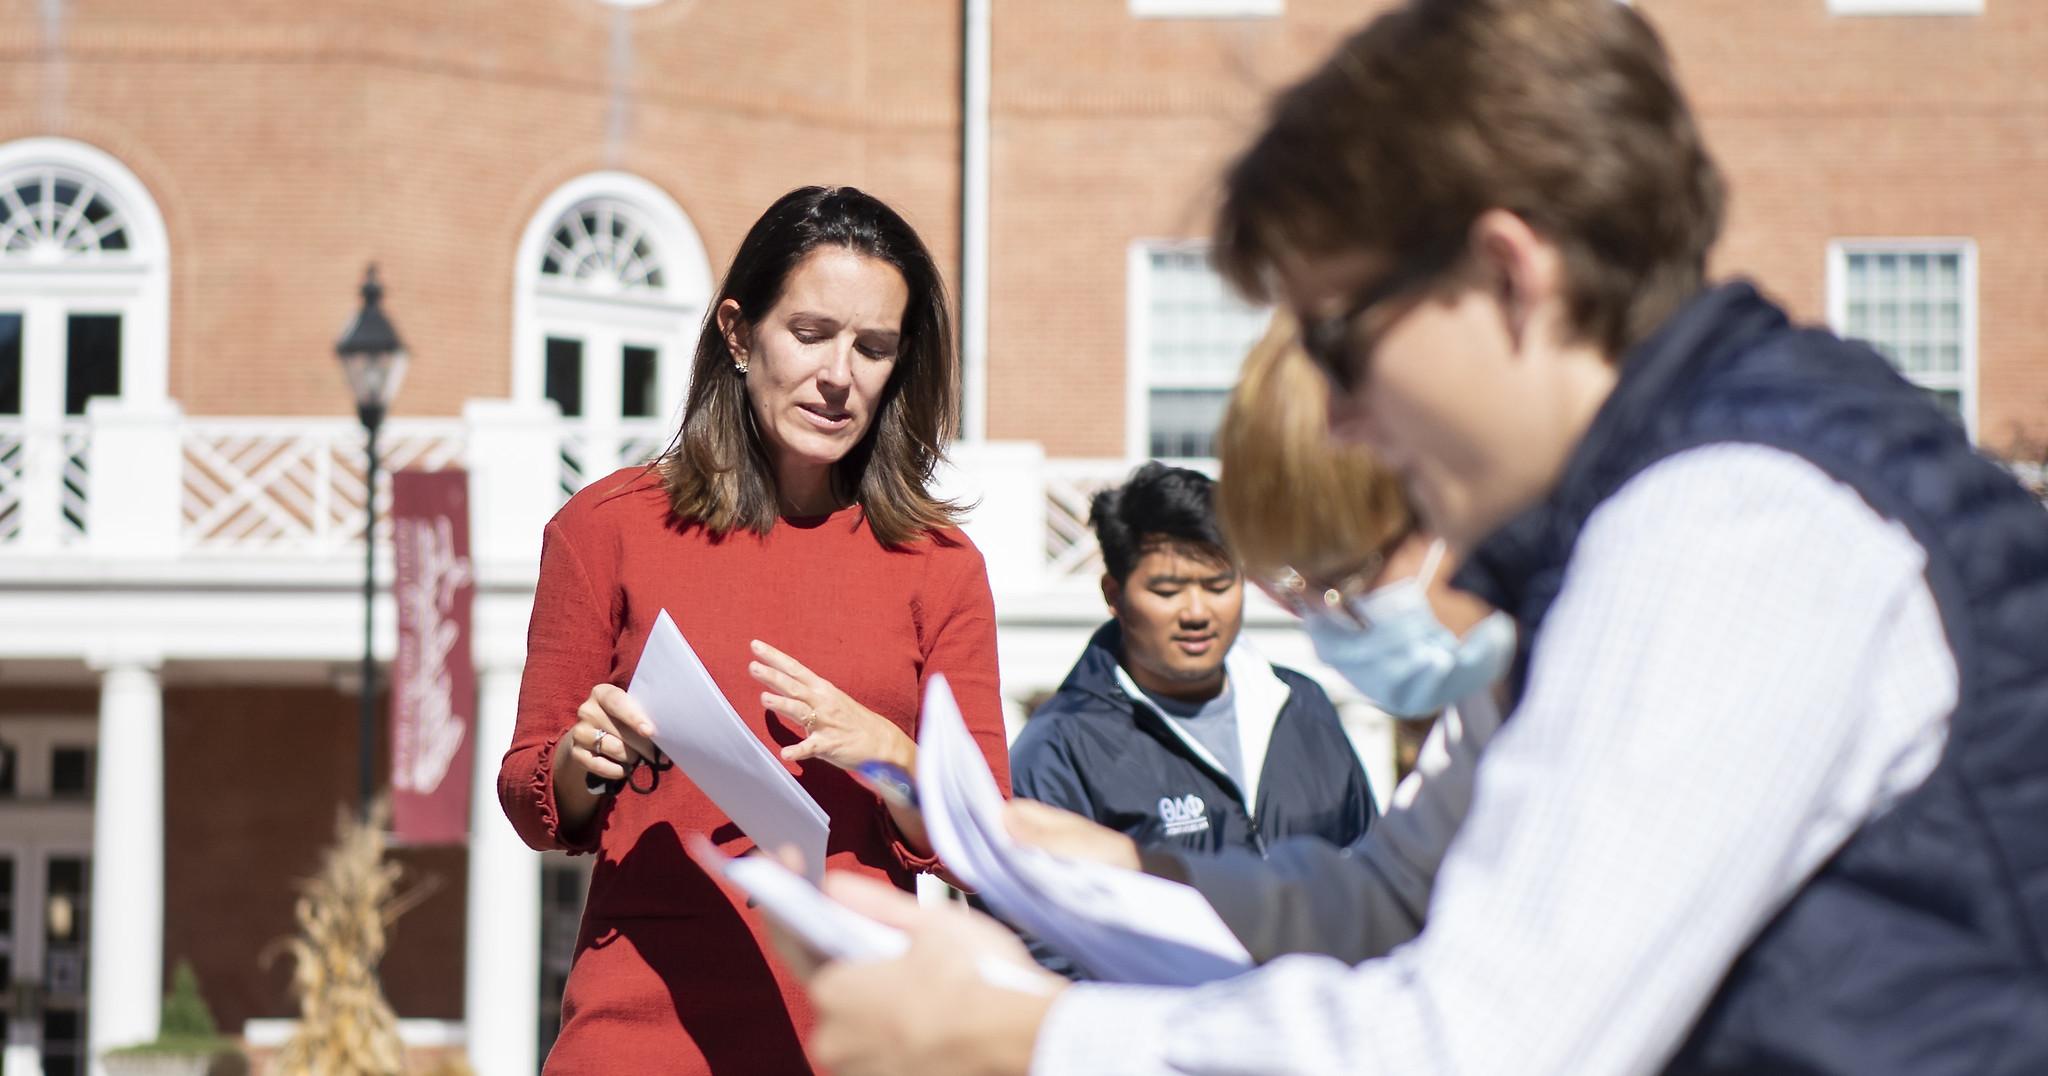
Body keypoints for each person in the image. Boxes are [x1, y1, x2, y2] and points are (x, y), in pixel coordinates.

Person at [779, 1, 2048, 1073]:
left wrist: (1030, 1034)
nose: (1335, 410)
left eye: (1341, 337)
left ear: (1505, 276)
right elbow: (1396, 895)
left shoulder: (1732, 525)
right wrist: (1125, 869)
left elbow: (1489, 1038)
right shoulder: (1642, 524)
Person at [497, 185, 1011, 1074]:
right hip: (639, 1036)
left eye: (873, 347)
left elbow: (985, 841)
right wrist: (584, 759)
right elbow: (530, 797)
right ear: (738, 334)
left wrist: (884, 752)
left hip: (854, 1039)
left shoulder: (940, 564)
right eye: (810, 334)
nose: (839, 375)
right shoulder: (606, 529)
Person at [1007, 459, 1376, 974]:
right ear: (1114, 595)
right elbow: (1040, 949)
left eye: (1219, 584)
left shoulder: (1302, 705)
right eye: (1168, 590)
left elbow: (1368, 872)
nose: (1198, 611)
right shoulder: (1058, 749)